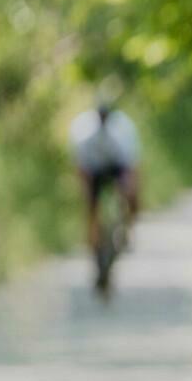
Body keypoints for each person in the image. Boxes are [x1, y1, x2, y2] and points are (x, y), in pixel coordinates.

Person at [68, 95, 142, 260]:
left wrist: (130, 190)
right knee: (91, 205)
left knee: (129, 194)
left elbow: (130, 166)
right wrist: (85, 192)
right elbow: (81, 169)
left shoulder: (122, 131)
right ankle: (92, 240)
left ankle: (127, 229)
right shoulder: (84, 133)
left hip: (117, 164)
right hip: (94, 168)